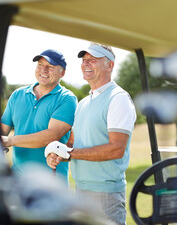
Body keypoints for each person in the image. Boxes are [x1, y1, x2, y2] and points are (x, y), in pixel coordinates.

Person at [46, 43, 137, 225]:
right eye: (84, 60)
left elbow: (116, 149)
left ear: (109, 65)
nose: (86, 64)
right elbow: (74, 144)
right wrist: (59, 154)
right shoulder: (83, 103)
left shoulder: (118, 99)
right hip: (80, 190)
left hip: (106, 195)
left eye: (93, 60)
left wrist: (70, 153)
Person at [1, 49, 77, 181]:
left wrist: (10, 140)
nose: (44, 70)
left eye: (50, 67)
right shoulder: (18, 95)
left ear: (62, 73)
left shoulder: (66, 99)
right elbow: (2, 130)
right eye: (40, 65)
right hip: (17, 181)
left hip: (51, 184)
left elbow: (51, 136)